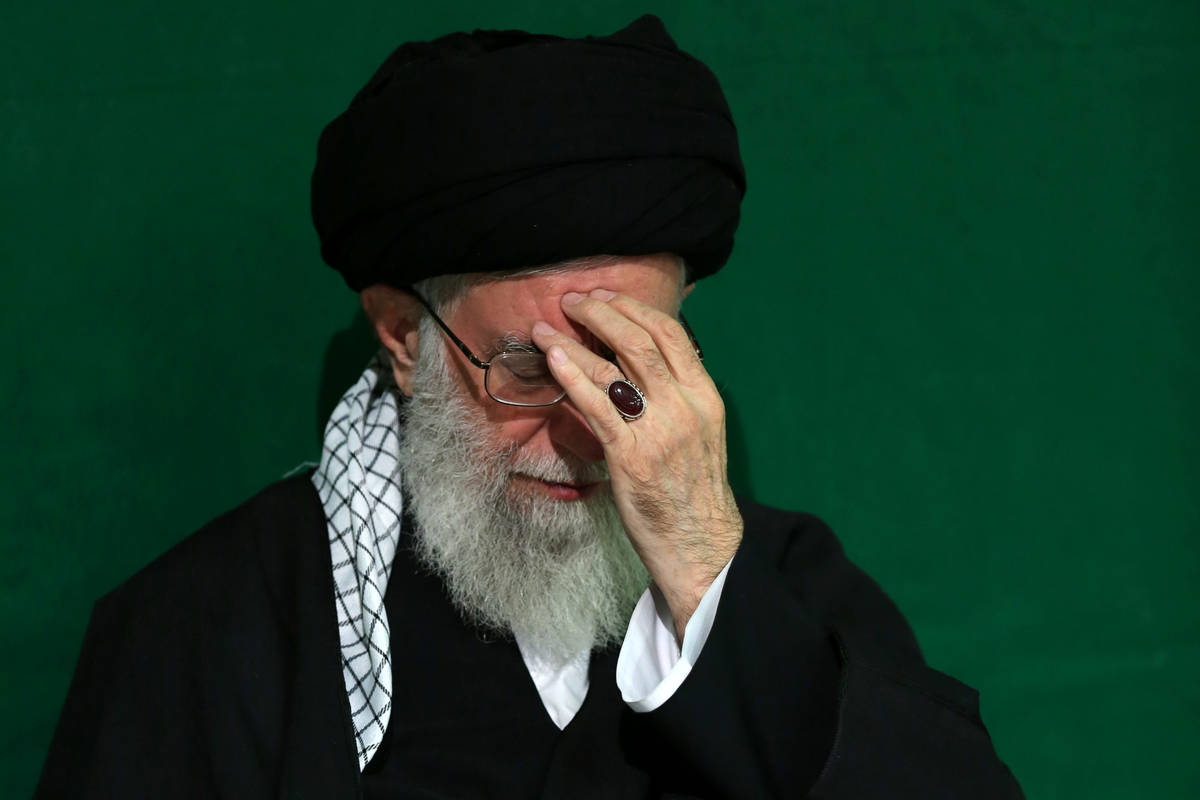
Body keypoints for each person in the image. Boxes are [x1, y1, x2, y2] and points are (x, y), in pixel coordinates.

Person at [36, 15, 1023, 799]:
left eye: (626, 367)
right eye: (529, 368)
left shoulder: (788, 585)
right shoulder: (213, 625)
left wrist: (704, 576)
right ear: (403, 339)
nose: (588, 429)